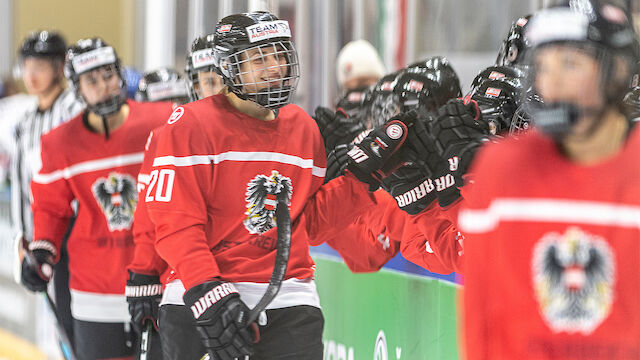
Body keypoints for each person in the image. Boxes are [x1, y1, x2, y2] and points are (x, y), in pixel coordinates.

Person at [145, 11, 392, 360]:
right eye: (260, 58)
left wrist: (362, 180)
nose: (275, 66)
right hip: (201, 298)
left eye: (279, 54)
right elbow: (175, 224)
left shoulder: (304, 128)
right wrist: (206, 291)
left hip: (289, 300)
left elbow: (306, 226)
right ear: (230, 66)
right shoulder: (190, 125)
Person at [456, 2, 640, 358]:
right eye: (544, 65)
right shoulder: (500, 169)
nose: (552, 82)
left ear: (617, 71)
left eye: (570, 64)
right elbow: (480, 320)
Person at [25, 37, 173, 359]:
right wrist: (42, 249)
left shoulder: (161, 122)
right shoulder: (60, 143)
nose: (104, 85)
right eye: (92, 80)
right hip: (93, 291)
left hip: (158, 282)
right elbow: (50, 206)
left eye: (108, 75)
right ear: (77, 87)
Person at [125, 34, 227, 360]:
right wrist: (144, 272)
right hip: (185, 286)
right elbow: (150, 214)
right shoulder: (168, 135)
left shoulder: (257, 131)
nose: (215, 89)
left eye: (222, 79)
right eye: (207, 80)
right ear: (194, 85)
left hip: (247, 285)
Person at [12, 30, 84, 352]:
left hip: (76, 235)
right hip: (42, 240)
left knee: (77, 320)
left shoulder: (74, 108)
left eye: (40, 65)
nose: (32, 74)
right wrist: (21, 235)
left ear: (58, 68)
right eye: (28, 65)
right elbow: (20, 181)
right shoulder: (26, 120)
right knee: (55, 327)